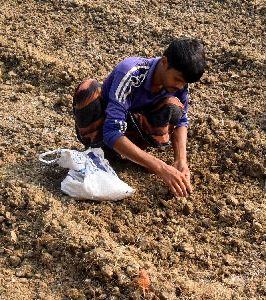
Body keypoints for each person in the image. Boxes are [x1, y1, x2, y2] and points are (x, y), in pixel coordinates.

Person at [72, 38, 206, 197]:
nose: (179, 86)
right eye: (177, 79)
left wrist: (181, 161)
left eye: (184, 83)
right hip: (103, 128)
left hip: (134, 129)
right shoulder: (131, 72)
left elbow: (182, 121)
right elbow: (111, 131)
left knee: (174, 106)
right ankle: (100, 151)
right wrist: (160, 167)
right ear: (164, 62)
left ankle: (134, 155)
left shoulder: (179, 85)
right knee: (88, 90)